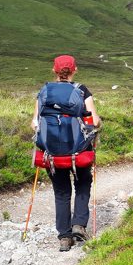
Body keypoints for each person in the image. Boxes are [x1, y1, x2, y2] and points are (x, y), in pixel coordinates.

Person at [31, 55, 101, 251]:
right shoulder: (81, 90)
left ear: (54, 71)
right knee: (83, 183)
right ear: (74, 70)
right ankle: (79, 224)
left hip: (52, 153)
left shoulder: (44, 91)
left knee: (61, 192)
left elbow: (34, 123)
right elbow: (94, 121)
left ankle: (64, 237)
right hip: (79, 151)